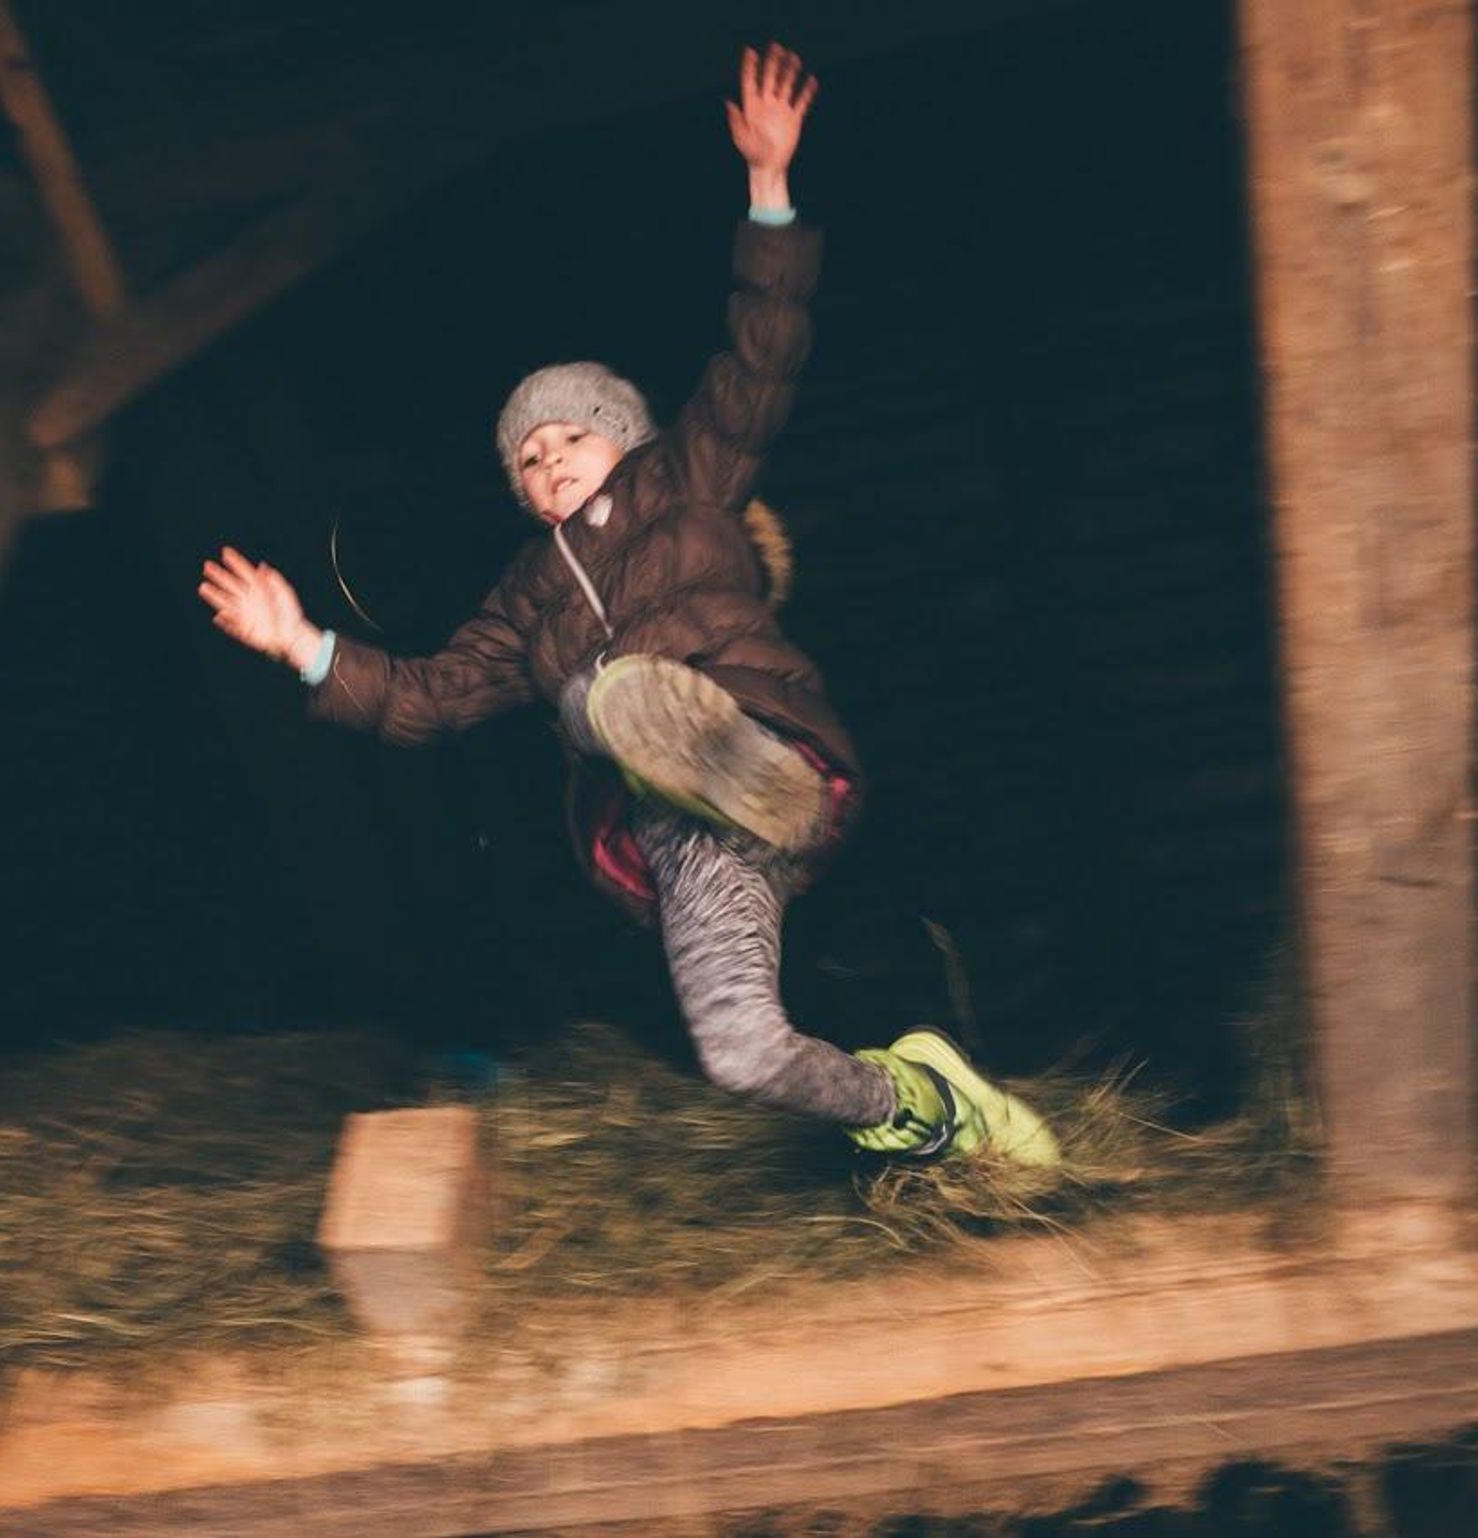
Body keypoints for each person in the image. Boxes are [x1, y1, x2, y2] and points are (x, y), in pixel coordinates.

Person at [199, 43, 1057, 1167]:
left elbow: (760, 359)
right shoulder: (522, 596)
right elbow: (428, 695)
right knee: (739, 1052)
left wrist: (768, 186)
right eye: (528, 459)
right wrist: (303, 644)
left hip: (764, 749)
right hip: (679, 837)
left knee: (601, 695)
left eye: (571, 435)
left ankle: (713, 753)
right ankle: (921, 1104)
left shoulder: (684, 483)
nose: (550, 460)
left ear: (625, 437)